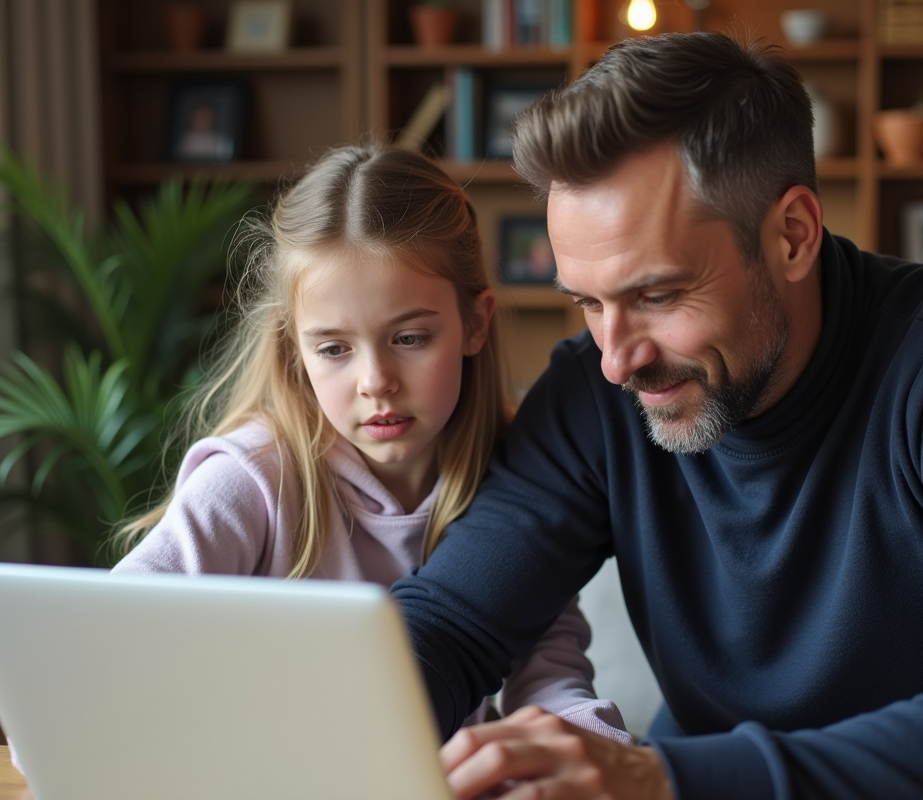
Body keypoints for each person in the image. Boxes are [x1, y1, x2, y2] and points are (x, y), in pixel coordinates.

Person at [389, 32, 923, 800]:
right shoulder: (593, 390)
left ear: (793, 235)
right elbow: (452, 625)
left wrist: (660, 780)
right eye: (587, 303)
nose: (617, 358)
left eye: (657, 295)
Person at [107, 143, 630, 741]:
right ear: (294, 350)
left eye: (409, 338)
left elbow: (548, 678)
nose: (375, 381)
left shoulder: (525, 475)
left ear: (475, 323)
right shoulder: (250, 481)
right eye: (333, 348)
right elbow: (106, 649)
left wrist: (605, 754)